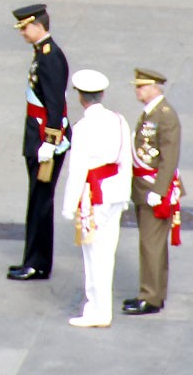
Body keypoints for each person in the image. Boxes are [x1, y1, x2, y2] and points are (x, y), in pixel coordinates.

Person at [60, 69, 132, 328]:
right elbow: (126, 158)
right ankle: (100, 307)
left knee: (94, 255)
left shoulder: (83, 127)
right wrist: (125, 193)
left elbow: (77, 170)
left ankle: (98, 309)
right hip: (115, 191)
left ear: (80, 97)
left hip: (94, 196)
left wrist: (69, 207)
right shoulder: (119, 119)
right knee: (107, 251)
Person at [8, 3, 72, 280]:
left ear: (38, 26)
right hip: (39, 137)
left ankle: (37, 263)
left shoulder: (50, 57)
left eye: (25, 28)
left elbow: (55, 104)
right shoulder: (42, 53)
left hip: (46, 142)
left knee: (40, 202)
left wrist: (49, 140)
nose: (23, 33)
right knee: (37, 200)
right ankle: (35, 259)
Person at [123, 68, 185, 317]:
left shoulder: (165, 116)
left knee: (151, 245)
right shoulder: (151, 113)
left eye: (141, 86)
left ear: (154, 87)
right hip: (144, 187)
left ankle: (150, 296)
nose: (137, 90)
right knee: (151, 244)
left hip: (153, 189)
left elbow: (169, 158)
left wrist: (159, 191)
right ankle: (152, 292)